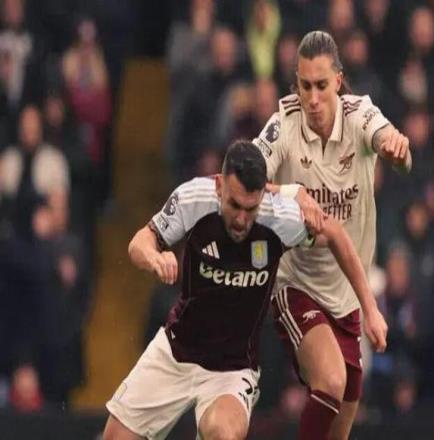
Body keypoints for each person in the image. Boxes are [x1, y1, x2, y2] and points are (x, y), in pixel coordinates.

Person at [103, 140, 387, 440]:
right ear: (219, 186)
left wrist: (370, 309)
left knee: (222, 434)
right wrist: (155, 258)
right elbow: (139, 243)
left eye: (250, 209)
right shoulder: (193, 199)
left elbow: (337, 235)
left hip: (232, 371)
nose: (241, 219)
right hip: (175, 353)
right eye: (234, 205)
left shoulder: (281, 218)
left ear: (263, 196)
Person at [253, 30, 411, 439]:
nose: (313, 98)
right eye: (305, 86)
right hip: (295, 284)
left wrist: (397, 149)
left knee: (338, 428)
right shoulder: (282, 125)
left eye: (321, 85)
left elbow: (395, 149)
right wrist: (290, 191)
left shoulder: (361, 115)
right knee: (331, 381)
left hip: (347, 292)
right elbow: (239, 180)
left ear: (338, 81)